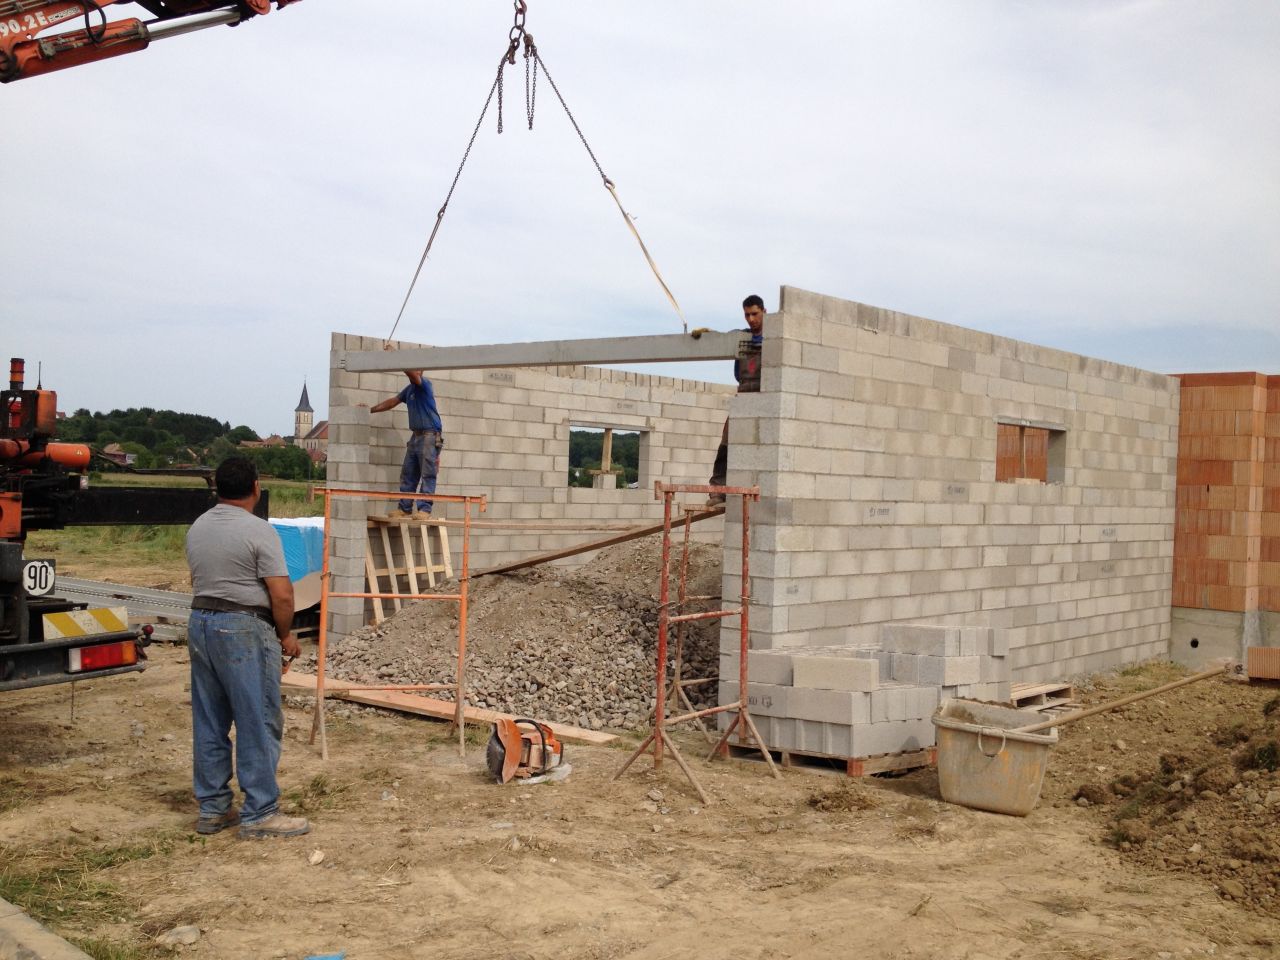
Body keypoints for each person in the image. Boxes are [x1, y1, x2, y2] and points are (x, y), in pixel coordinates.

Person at [185, 457, 310, 839]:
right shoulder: (259, 531)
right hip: (243, 627)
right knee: (257, 719)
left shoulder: (198, 527)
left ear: (218, 489)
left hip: (201, 622)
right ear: (255, 487)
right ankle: (260, 812)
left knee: (210, 720)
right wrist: (285, 635)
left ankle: (213, 808)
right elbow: (282, 594)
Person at [702, 294, 766, 505]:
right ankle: (718, 490)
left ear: (764, 312)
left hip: (767, 398)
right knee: (726, 444)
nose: (751, 319)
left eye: (755, 314)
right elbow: (727, 339)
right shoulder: (742, 338)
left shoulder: (774, 338)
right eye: (747, 315)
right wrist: (710, 336)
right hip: (744, 395)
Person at [370, 353, 444, 520]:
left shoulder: (424, 385)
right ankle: (405, 508)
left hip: (430, 435)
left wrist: (396, 355)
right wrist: (369, 410)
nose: (414, 373)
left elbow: (411, 374)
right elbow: (392, 402)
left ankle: (424, 509)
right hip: (416, 436)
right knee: (408, 473)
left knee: (428, 473)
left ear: (421, 372)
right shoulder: (409, 390)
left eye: (417, 370)